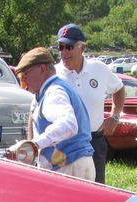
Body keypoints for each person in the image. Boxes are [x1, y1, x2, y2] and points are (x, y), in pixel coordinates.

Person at [53, 24, 125, 184]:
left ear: (82, 47)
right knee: (63, 190)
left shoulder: (99, 69)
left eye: (69, 47)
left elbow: (119, 89)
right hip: (62, 143)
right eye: (60, 47)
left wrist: (114, 116)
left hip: (93, 141)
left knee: (95, 190)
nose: (64, 52)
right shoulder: (54, 74)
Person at [14, 47, 95, 181]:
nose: (24, 81)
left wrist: (35, 144)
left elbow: (68, 124)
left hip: (70, 167)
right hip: (71, 165)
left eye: (25, 75)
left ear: (41, 69)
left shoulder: (54, 92)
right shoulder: (49, 90)